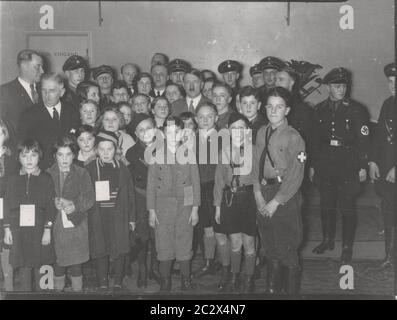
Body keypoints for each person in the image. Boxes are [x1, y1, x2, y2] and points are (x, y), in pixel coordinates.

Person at [310, 67, 369, 264]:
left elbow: (363, 140)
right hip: (325, 163)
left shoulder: (357, 109)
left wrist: (363, 166)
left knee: (347, 206)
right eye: (336, 86)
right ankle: (327, 240)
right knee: (326, 203)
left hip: (348, 163)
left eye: (343, 85)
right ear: (328, 87)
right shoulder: (319, 109)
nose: (341, 89)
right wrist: (313, 165)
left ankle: (346, 247)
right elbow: (315, 141)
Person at [253, 87, 306, 295]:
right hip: (264, 191)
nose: (274, 110)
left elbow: (296, 174)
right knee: (269, 243)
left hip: (285, 195)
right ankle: (272, 290)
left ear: (287, 110)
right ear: (265, 108)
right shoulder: (261, 132)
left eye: (279, 106)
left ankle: (291, 293)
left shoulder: (294, 137)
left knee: (287, 245)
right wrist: (257, 194)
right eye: (270, 106)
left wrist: (277, 201)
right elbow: (255, 165)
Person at [147, 116, 200, 292]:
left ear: (182, 133)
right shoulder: (156, 155)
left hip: (185, 204)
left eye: (176, 132)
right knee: (163, 243)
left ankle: (186, 279)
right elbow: (151, 185)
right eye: (168, 132)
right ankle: (165, 280)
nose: (172, 135)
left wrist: (195, 209)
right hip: (162, 205)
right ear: (162, 133)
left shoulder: (189, 153)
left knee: (185, 242)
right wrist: (151, 211)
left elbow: (196, 183)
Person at [86, 130, 136, 291]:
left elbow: (130, 195)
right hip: (98, 215)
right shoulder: (90, 168)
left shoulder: (123, 168)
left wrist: (132, 218)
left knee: (120, 247)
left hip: (119, 215)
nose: (106, 153)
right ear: (96, 150)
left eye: (110, 149)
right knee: (100, 248)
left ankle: (118, 281)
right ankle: (102, 281)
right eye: (102, 149)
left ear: (116, 149)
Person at [3, 139, 56, 291]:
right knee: (24, 267)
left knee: (41, 266)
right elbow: (7, 204)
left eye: (33, 155)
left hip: (39, 230)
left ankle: (42, 293)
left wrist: (47, 229)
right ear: (18, 158)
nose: (29, 160)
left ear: (39, 156)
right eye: (24, 156)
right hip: (18, 230)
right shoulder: (12, 180)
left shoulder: (46, 179)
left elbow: (51, 207)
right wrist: (7, 229)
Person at [214, 112, 257, 293]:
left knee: (249, 243)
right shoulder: (223, 151)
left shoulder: (255, 150)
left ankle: (248, 278)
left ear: (248, 130)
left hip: (249, 200)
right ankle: (234, 275)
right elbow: (218, 181)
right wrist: (217, 207)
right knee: (235, 242)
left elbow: (258, 179)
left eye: (241, 128)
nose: (238, 131)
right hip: (229, 200)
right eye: (234, 128)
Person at [47, 135, 95, 292]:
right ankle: (58, 291)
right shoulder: (47, 173)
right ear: (55, 156)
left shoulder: (82, 173)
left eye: (68, 154)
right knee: (58, 262)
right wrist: (53, 201)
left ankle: (77, 292)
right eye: (60, 154)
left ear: (74, 155)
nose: (64, 158)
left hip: (77, 224)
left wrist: (75, 205)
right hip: (56, 224)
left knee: (76, 263)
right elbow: (42, 198)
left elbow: (89, 198)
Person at [17, 73, 80, 170]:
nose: (47, 95)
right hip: (41, 170)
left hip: (69, 168)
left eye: (51, 91)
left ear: (62, 92)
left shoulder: (72, 111)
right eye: (43, 90)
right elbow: (22, 145)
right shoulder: (29, 115)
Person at [125, 114, 159, 288]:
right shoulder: (131, 153)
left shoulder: (165, 149)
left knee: (157, 235)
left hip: (160, 198)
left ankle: (155, 267)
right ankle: (143, 269)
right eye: (141, 129)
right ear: (136, 133)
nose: (146, 132)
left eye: (149, 127)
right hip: (140, 196)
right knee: (142, 235)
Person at [368, 63, 396, 268]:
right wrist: (373, 161)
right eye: (390, 82)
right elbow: (379, 137)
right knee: (389, 211)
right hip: (387, 171)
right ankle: (390, 256)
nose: (393, 86)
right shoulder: (388, 103)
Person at [192, 103, 220, 279]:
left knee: (221, 226)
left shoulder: (223, 137)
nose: (205, 120)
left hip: (216, 186)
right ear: (196, 119)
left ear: (216, 118)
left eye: (209, 116)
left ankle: (227, 263)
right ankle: (209, 261)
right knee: (206, 226)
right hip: (197, 187)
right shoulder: (191, 138)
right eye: (201, 117)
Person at [0, 49, 44, 145]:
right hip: (16, 151)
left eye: (42, 67)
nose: (42, 71)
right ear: (24, 67)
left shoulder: (45, 90)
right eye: (38, 67)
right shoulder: (4, 92)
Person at [0, 119, 17, 291]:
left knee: (6, 242)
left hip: (6, 205)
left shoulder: (12, 157)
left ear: (5, 135)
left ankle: (9, 286)